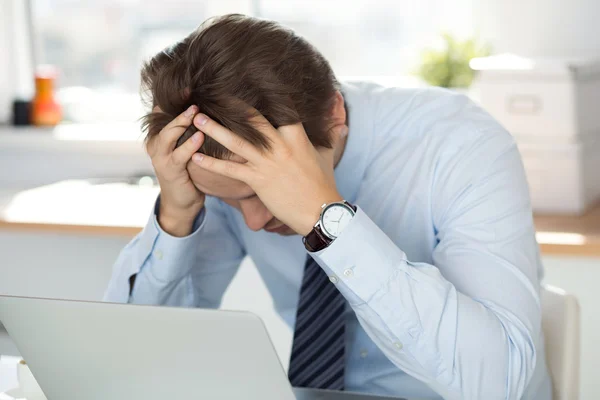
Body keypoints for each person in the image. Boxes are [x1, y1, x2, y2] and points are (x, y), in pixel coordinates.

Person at [104, 14, 552, 400]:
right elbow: (133, 366)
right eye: (231, 200)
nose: (255, 222)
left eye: (263, 192)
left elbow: (501, 383)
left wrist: (329, 222)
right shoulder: (224, 167)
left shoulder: (459, 145)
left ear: (335, 117)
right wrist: (176, 218)